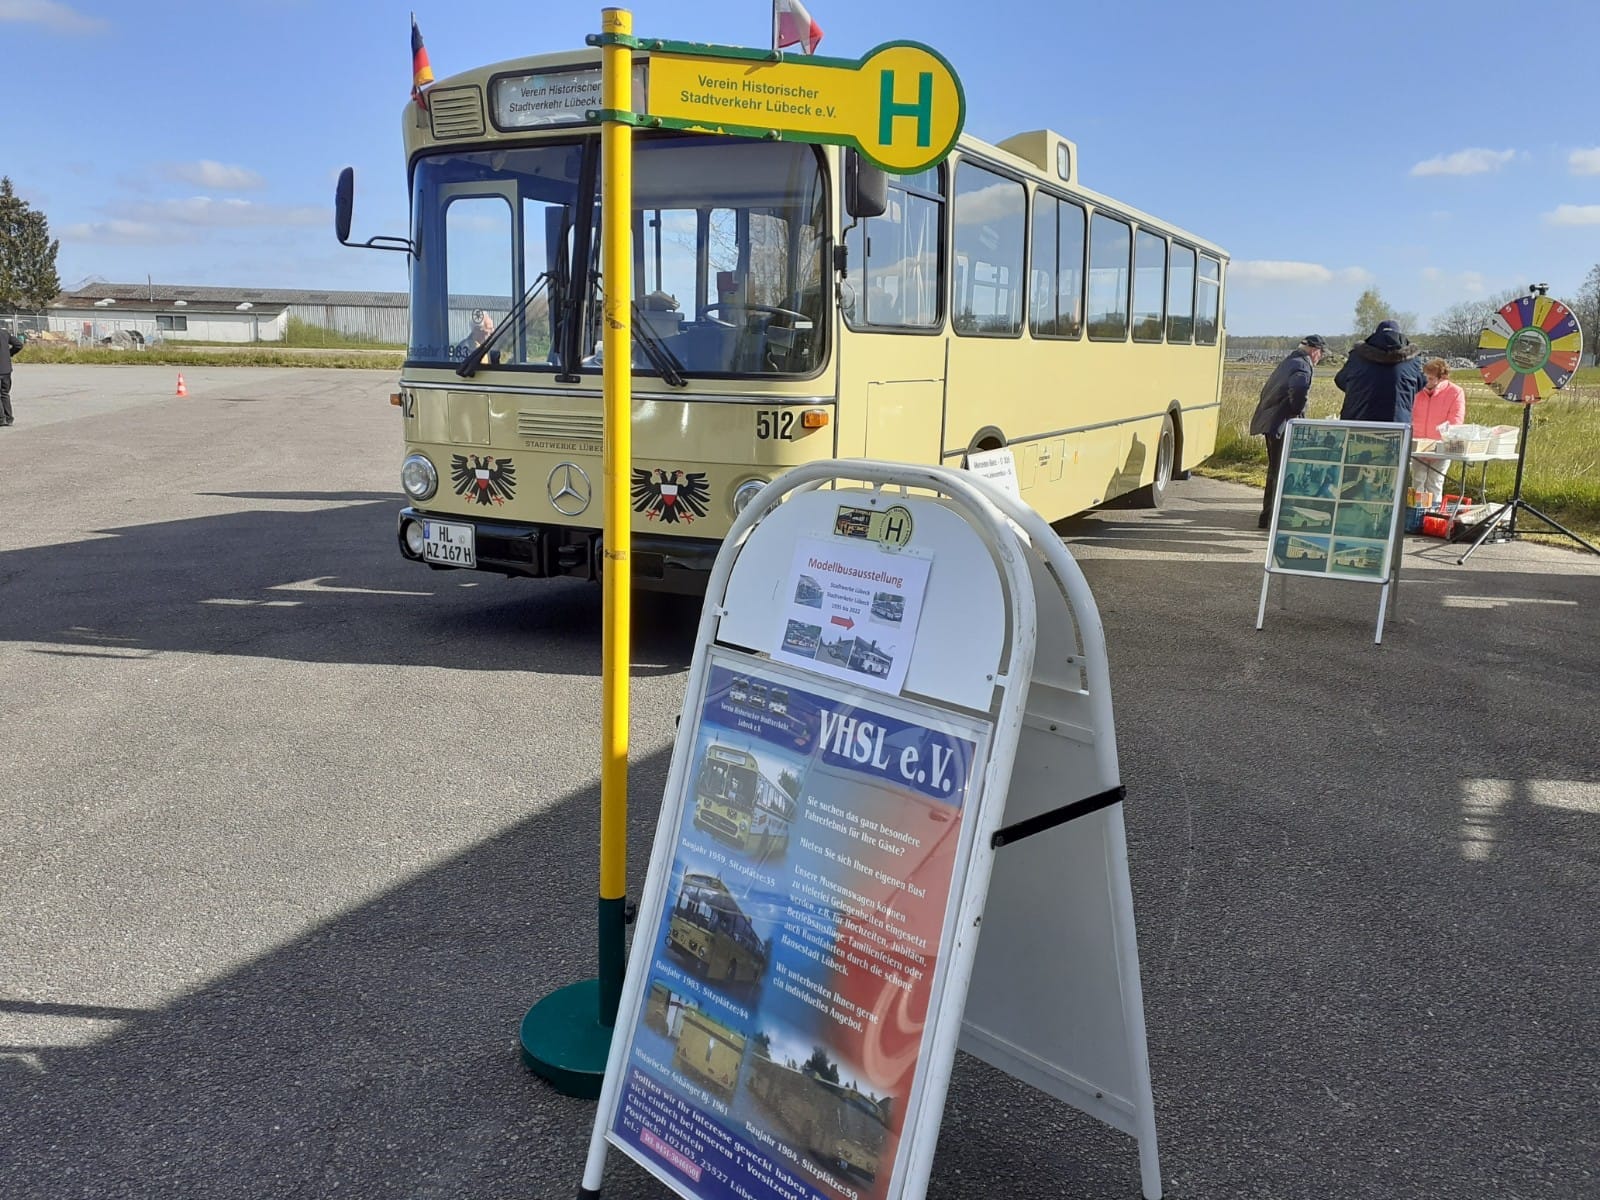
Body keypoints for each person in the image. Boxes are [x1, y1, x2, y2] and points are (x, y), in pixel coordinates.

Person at [1248, 334, 1328, 528]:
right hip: (1281, 423)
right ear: (1315, 351)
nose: (1320, 359)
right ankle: (1274, 518)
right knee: (1282, 470)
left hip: (1270, 422)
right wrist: (1297, 412)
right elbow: (1299, 390)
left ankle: (1267, 516)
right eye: (1321, 354)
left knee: (1275, 470)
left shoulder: (1289, 361)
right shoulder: (1302, 365)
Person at [1335, 319, 1425, 425]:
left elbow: (1340, 380)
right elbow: (1421, 382)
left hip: (1357, 423)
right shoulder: (1412, 361)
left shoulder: (1357, 356)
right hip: (1397, 426)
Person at [1410, 357, 1467, 503]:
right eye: (1425, 377)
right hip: (1418, 446)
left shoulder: (1456, 392)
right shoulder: (1416, 390)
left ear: (1442, 378)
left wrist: (1444, 442)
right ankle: (1417, 514)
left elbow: (1456, 420)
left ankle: (1433, 516)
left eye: (1430, 378)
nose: (1426, 381)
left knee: (1435, 481)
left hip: (1442, 447)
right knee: (1417, 480)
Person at [0, 325, 24, 427]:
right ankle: (9, 418)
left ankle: (1, 419)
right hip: (6, 369)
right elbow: (19, 344)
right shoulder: (4, 333)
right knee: (5, 393)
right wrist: (9, 353)